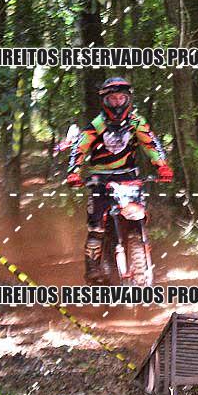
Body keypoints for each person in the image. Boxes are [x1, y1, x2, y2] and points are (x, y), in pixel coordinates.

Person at [65, 78, 173, 284]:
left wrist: (162, 165)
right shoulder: (97, 124)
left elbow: (151, 143)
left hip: (129, 177)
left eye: (121, 98)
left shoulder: (136, 122)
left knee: (138, 216)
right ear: (105, 101)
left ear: (128, 99)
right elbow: (80, 147)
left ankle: (142, 261)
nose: (117, 103)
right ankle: (93, 268)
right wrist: (73, 172)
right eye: (112, 99)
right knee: (96, 226)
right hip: (100, 179)